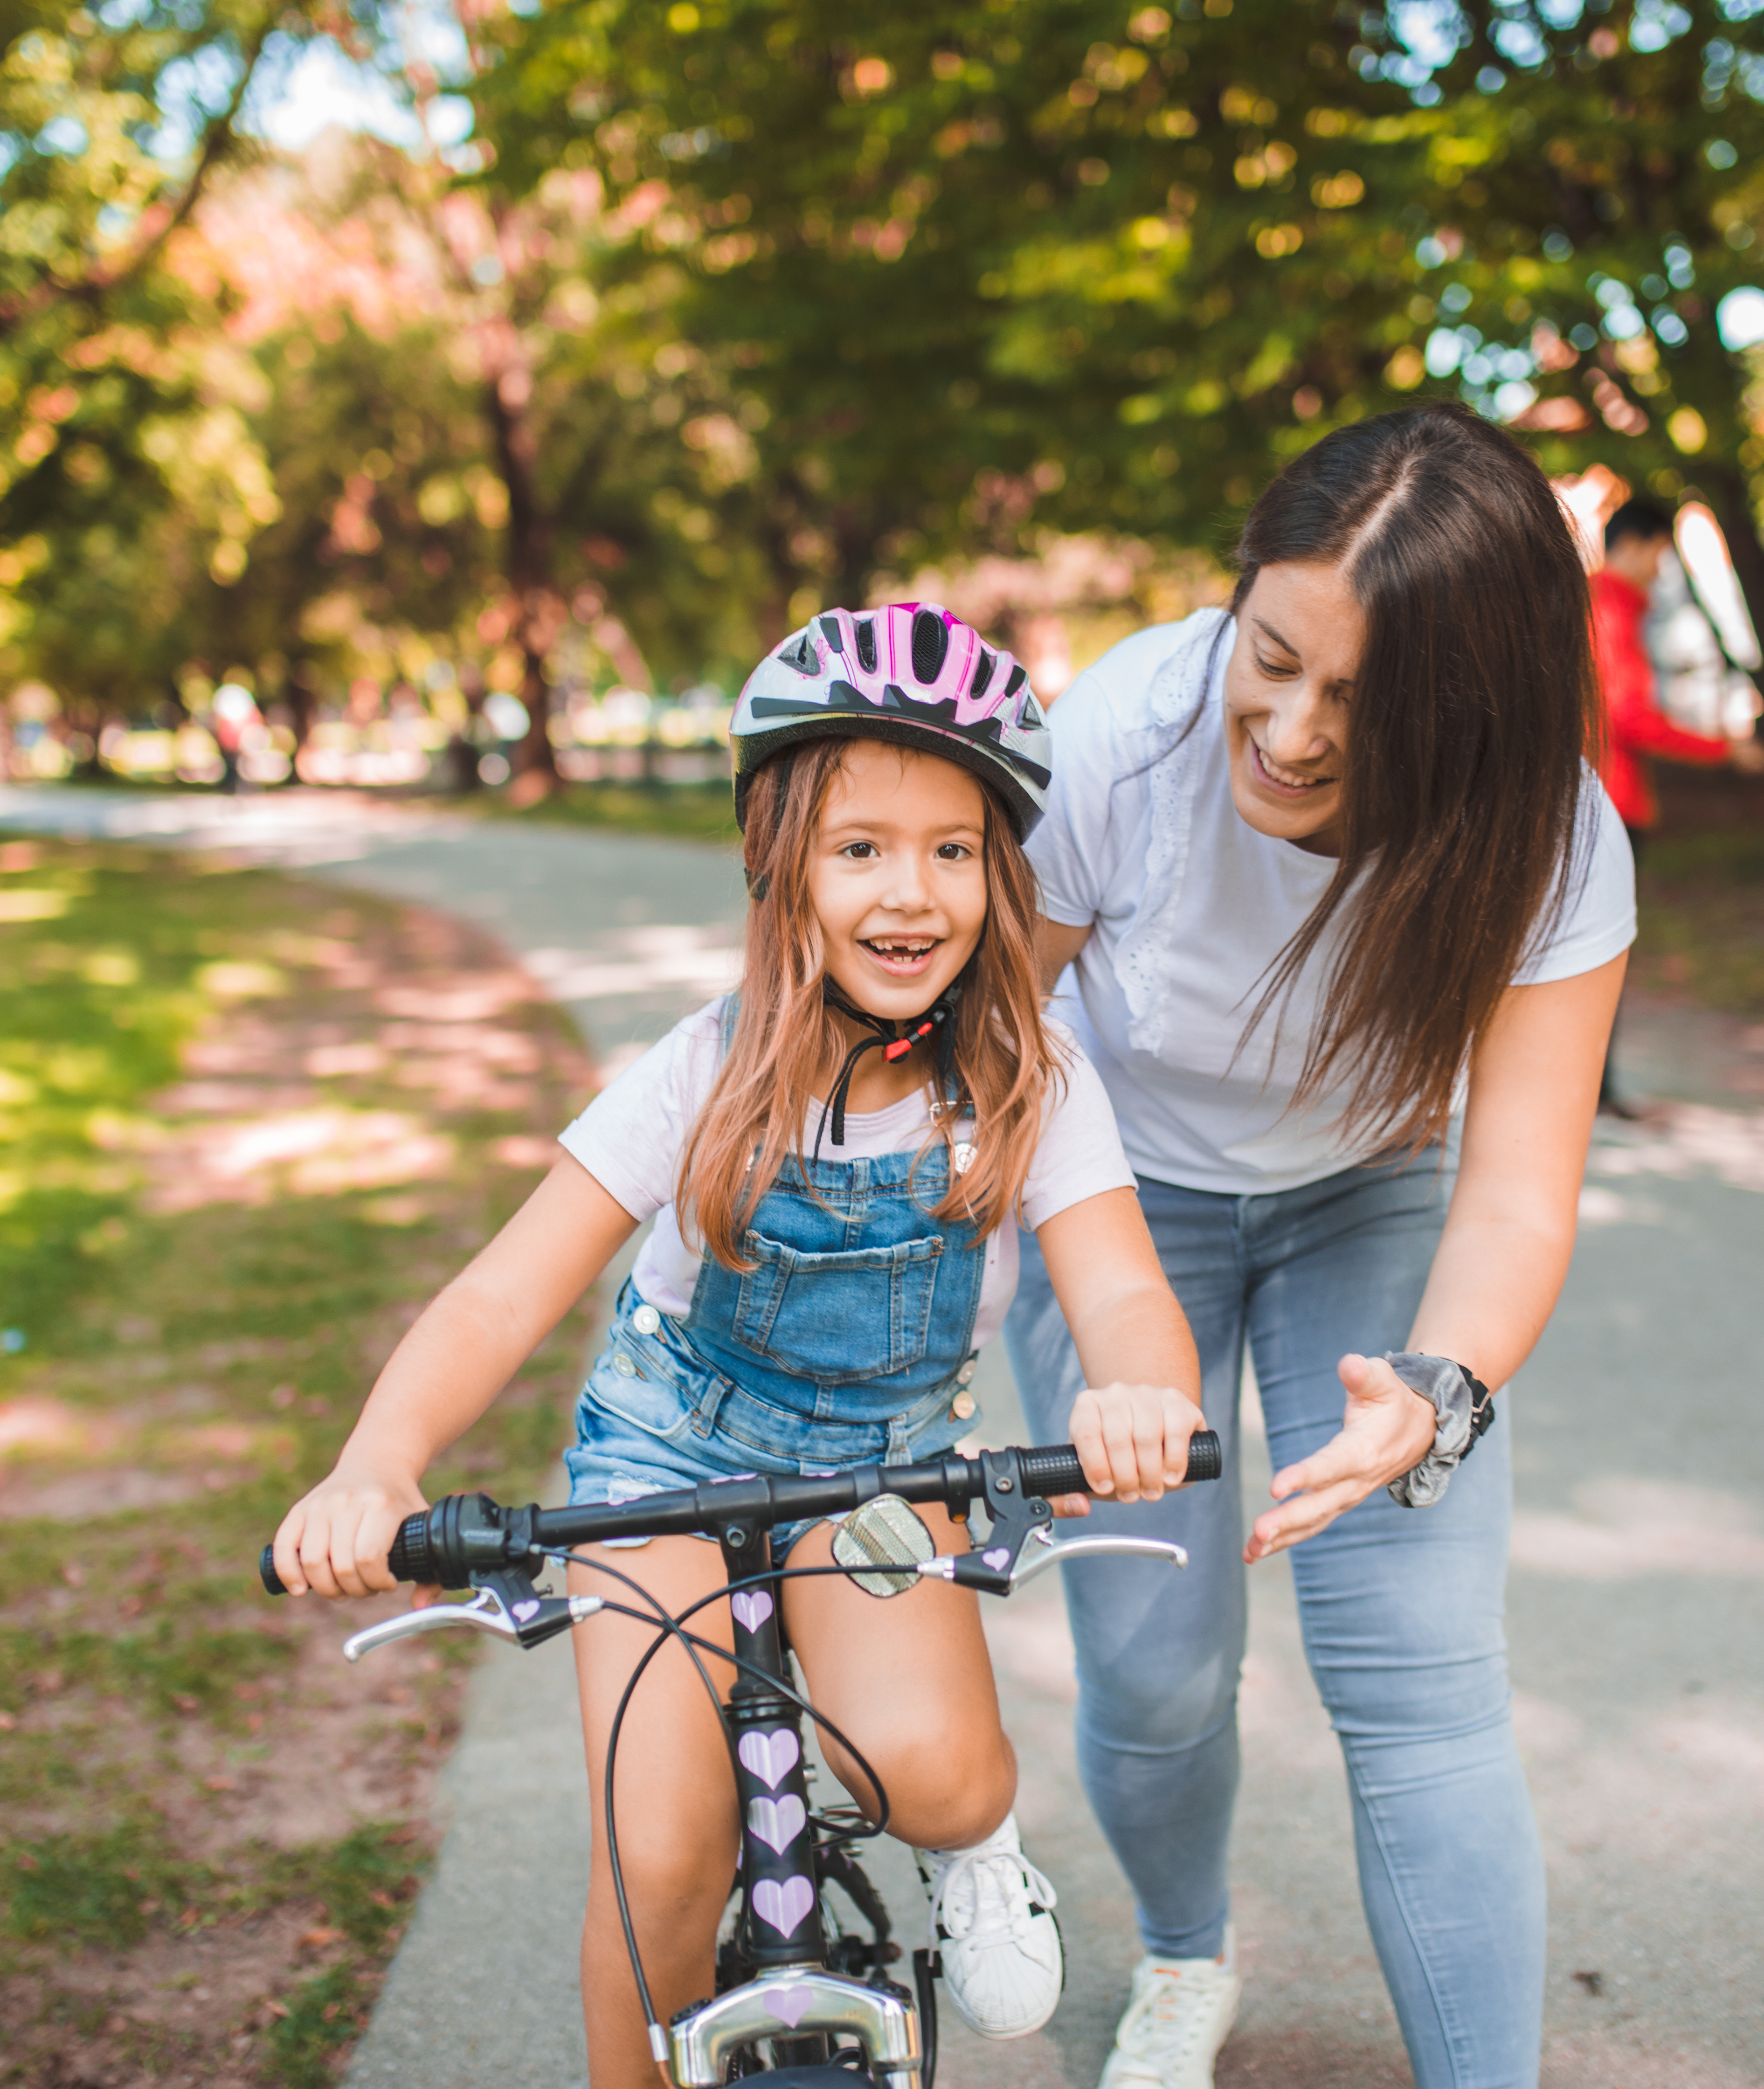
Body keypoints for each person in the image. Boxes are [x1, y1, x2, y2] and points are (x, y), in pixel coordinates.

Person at [271, 605, 1209, 2089]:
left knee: (938, 1772)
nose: (914, 893)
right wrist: (376, 1466)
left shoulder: (1034, 1080)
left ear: (1002, 873)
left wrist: (1141, 1392)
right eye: (862, 849)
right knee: (662, 1858)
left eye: (954, 850)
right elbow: (500, 1297)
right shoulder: (704, 1071)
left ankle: (981, 1851)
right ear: (783, 873)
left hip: (881, 1472)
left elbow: (1124, 1289)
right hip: (666, 1452)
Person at [1005, 405, 1636, 2089]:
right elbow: (999, 1031)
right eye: (1269, 656)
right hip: (1116, 1194)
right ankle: (1185, 1958)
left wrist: (1438, 1386)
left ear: (1469, 717)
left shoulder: (1554, 843)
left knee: (1423, 1680)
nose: (1284, 730)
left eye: (1357, 702)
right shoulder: (1128, 736)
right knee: (1156, 1670)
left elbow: (1516, 1190)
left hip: (1366, 1197)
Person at [1591, 497, 1764, 1117]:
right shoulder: (1606, 611)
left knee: (1590, 953)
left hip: (1596, 803)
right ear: (1634, 546)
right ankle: (1594, 1095)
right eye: (1660, 556)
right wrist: (1721, 748)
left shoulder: (1597, 609)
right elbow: (1629, 716)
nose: (1659, 572)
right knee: (1597, 955)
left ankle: (1593, 1092)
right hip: (1608, 807)